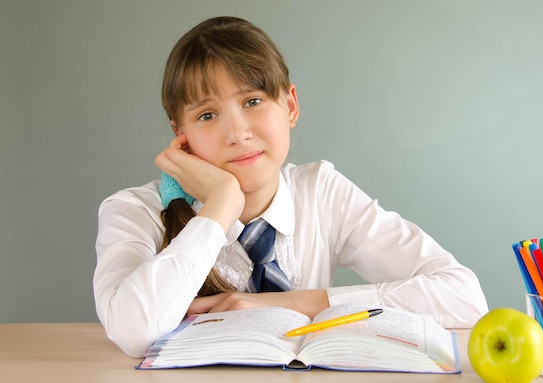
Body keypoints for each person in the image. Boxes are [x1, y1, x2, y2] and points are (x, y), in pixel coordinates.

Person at [93, 16, 488, 358]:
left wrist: (302, 303)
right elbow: (131, 331)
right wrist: (221, 205)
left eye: (252, 101)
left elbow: (463, 296)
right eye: (208, 114)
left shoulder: (321, 192)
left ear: (291, 107)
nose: (237, 133)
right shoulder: (135, 211)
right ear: (181, 135)